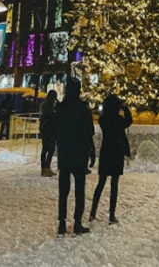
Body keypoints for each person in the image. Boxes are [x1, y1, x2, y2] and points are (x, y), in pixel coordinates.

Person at [56, 77, 94, 236]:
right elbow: (88, 131)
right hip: (78, 153)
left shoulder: (61, 107)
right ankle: (77, 223)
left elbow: (55, 128)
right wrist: (91, 151)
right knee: (79, 190)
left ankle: (62, 224)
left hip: (64, 153)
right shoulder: (82, 108)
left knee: (63, 191)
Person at [89, 94, 132, 225]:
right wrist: (126, 109)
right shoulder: (118, 120)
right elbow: (128, 121)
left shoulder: (103, 119)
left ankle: (93, 212)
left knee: (101, 182)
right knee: (114, 184)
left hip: (106, 151)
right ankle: (111, 214)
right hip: (117, 152)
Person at [40, 90, 58, 177]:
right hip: (49, 129)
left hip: (45, 129)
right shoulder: (50, 106)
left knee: (46, 149)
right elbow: (51, 117)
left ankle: (45, 168)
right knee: (49, 149)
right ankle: (46, 168)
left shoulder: (44, 104)